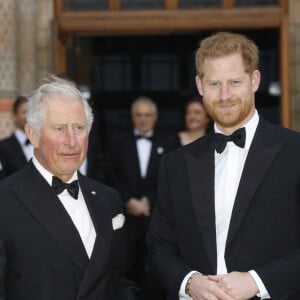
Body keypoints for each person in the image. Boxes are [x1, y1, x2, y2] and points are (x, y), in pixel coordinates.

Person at [147, 31, 300, 300]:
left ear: (254, 80)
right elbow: (159, 247)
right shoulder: (175, 165)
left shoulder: (294, 151)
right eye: (215, 84)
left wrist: (256, 281)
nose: (225, 95)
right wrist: (189, 282)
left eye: (234, 82)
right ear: (200, 85)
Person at [0, 76, 133, 300]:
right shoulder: (4, 200)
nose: (71, 141)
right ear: (33, 135)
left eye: (79, 128)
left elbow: (119, 281)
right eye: (60, 129)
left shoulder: (108, 199)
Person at [107, 96, 168, 298]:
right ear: (132, 117)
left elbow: (169, 179)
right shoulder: (117, 142)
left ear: (155, 117)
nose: (143, 119)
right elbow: (110, 175)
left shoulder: (168, 142)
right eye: (139, 115)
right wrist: (128, 201)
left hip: (156, 219)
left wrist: (148, 201)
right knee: (127, 267)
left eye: (147, 115)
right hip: (125, 219)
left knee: (155, 268)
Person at [0, 95, 33, 178]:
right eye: (25, 112)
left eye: (32, 112)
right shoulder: (3, 147)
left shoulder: (43, 144)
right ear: (14, 117)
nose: (29, 116)